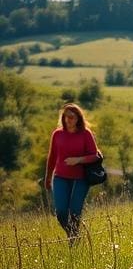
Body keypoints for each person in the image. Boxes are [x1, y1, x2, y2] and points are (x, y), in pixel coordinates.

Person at [44, 103, 100, 244]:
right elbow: (51, 157)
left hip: (81, 179)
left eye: (71, 117)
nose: (68, 119)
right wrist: (48, 177)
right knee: (61, 212)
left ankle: (73, 241)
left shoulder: (86, 134)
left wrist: (78, 160)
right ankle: (73, 235)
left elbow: (95, 155)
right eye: (65, 116)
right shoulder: (57, 134)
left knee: (75, 212)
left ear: (78, 118)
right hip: (60, 178)